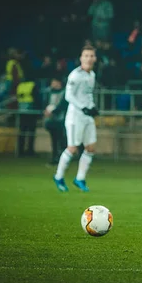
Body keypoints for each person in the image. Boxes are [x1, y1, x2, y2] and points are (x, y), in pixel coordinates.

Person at [53, 45, 99, 192]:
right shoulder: (75, 75)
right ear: (81, 58)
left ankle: (80, 178)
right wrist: (82, 107)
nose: (89, 58)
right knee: (72, 148)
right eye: (86, 55)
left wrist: (92, 107)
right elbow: (69, 95)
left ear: (95, 58)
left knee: (90, 148)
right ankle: (58, 176)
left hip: (87, 116)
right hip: (75, 117)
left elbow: (87, 94)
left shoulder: (91, 74)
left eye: (91, 56)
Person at [44, 77, 68, 166]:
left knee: (62, 139)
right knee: (54, 140)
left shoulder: (64, 93)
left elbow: (63, 105)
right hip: (51, 120)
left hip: (61, 120)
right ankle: (55, 158)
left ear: (59, 83)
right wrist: (46, 111)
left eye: (54, 82)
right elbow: (46, 103)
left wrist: (53, 112)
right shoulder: (50, 92)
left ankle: (63, 159)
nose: (52, 84)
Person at [16, 76, 41, 157]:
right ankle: (30, 150)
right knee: (31, 132)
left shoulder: (20, 85)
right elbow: (37, 98)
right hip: (31, 111)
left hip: (21, 111)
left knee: (22, 132)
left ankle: (20, 151)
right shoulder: (33, 85)